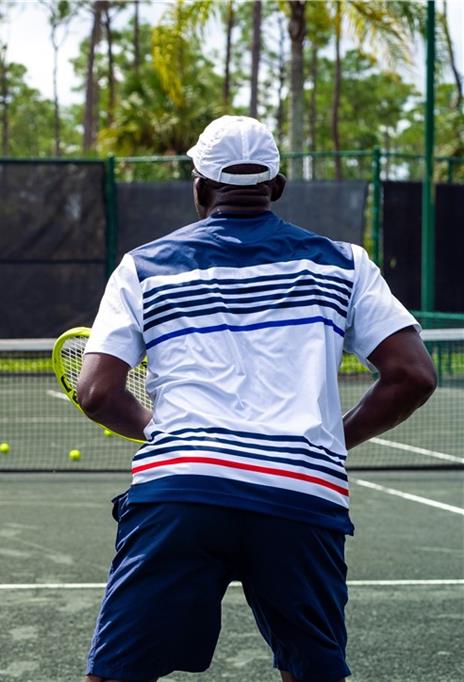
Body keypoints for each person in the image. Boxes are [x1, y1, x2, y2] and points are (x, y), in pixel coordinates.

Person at [77, 115, 436, 682]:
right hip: (302, 492)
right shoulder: (345, 263)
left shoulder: (142, 267)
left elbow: (96, 392)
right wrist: (328, 440)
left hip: (182, 491)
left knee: (116, 674)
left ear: (199, 187)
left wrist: (165, 435)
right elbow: (413, 376)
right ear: (277, 186)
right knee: (313, 673)